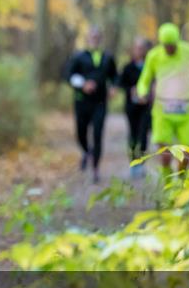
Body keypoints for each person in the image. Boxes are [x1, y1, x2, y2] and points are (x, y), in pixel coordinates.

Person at [136, 22, 189, 175]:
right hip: (163, 109)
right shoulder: (154, 55)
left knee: (188, 151)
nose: (169, 49)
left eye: (172, 45)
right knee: (165, 152)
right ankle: (167, 181)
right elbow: (144, 79)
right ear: (161, 43)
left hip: (186, 109)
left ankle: (181, 179)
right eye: (166, 46)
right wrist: (142, 92)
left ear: (177, 41)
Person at [64, 26, 118, 183]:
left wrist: (114, 87)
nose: (94, 39)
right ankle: (87, 151)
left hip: (100, 102)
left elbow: (115, 76)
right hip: (81, 101)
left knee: (98, 134)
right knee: (81, 133)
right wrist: (83, 85)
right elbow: (68, 75)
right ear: (87, 39)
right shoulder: (78, 57)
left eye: (97, 37)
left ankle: (95, 168)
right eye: (92, 37)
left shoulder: (108, 57)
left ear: (100, 39)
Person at [118, 37, 153, 178]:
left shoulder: (150, 66)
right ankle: (133, 162)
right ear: (133, 50)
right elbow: (121, 84)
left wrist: (149, 94)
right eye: (137, 48)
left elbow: (155, 83)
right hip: (131, 107)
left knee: (144, 135)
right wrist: (131, 90)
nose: (139, 51)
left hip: (146, 107)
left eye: (142, 48)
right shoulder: (128, 67)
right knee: (133, 135)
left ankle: (142, 164)